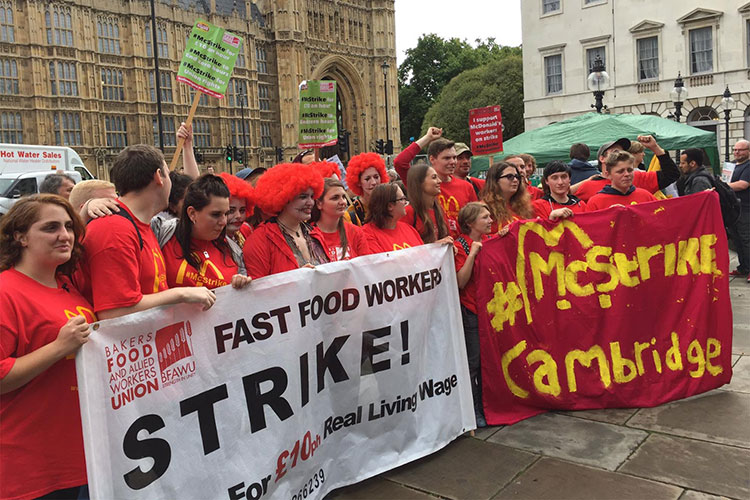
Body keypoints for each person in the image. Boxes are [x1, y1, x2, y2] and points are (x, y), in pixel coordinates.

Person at [0, 195, 93, 500]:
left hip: (84, 460)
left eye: (68, 226)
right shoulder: (6, 291)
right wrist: (58, 347)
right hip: (30, 469)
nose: (64, 235)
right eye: (50, 227)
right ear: (20, 236)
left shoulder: (70, 288)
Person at [81, 144, 216, 319]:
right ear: (159, 177)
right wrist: (180, 295)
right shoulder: (114, 230)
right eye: (168, 174)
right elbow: (115, 313)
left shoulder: (139, 225)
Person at [161, 175, 251, 290]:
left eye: (226, 214)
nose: (223, 222)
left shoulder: (234, 251)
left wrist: (240, 284)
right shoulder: (163, 234)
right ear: (192, 213)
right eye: (215, 214)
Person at [243, 163, 329, 278]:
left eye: (312, 196)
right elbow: (257, 290)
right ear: (283, 198)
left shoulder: (315, 233)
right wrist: (295, 278)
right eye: (303, 197)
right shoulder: (261, 240)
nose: (310, 203)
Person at [394, 128, 478, 235]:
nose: (453, 162)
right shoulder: (421, 182)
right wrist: (427, 138)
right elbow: (399, 162)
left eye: (454, 157)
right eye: (447, 158)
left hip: (460, 247)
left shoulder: (466, 186)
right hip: (431, 246)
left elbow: (475, 219)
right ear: (432, 159)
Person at [454, 202, 493, 428]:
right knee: (473, 363)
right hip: (471, 311)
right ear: (470, 223)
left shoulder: (491, 240)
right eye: (485, 218)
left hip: (489, 311)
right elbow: (461, 280)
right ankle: (474, 409)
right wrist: (474, 252)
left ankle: (486, 406)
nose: (490, 221)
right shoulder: (461, 245)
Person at [574, 136, 679, 202]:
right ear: (602, 158)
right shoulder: (588, 186)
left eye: (623, 152)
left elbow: (671, 174)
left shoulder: (636, 177)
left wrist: (655, 148)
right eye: (615, 152)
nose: (620, 155)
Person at [311, 178, 370, 261]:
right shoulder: (309, 235)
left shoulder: (355, 232)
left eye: (343, 197)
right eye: (335, 198)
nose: (342, 202)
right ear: (319, 203)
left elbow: (366, 265)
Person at [362, 183, 423, 253]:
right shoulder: (367, 234)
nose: (405, 202)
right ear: (390, 206)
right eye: (402, 199)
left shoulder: (409, 228)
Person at [587, 151, 657, 211]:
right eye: (620, 171)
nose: (627, 174)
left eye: (630, 170)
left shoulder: (645, 196)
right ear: (608, 175)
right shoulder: (596, 202)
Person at [404, 163, 453, 245]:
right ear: (419, 183)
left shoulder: (439, 209)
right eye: (434, 177)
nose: (439, 181)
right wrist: (436, 245)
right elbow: (404, 247)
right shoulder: (408, 212)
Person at [480, 161, 534, 233]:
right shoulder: (484, 208)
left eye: (517, 177)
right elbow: (477, 237)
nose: (515, 180)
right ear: (495, 180)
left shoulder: (523, 206)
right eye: (510, 177)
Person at [344, 152, 388, 226]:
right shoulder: (352, 213)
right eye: (367, 179)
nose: (373, 182)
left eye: (376, 177)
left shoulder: (389, 205)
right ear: (358, 182)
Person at [728, 139, 750, 280]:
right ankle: (743, 267)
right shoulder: (731, 166)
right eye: (735, 150)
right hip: (733, 208)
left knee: (746, 239)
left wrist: (724, 186)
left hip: (745, 208)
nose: (736, 152)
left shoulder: (748, 166)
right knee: (737, 240)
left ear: (748, 151)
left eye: (740, 150)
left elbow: (743, 185)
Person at [218, 172, 255, 249]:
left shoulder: (245, 230)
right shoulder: (213, 242)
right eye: (231, 211)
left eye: (242, 210)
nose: (238, 216)